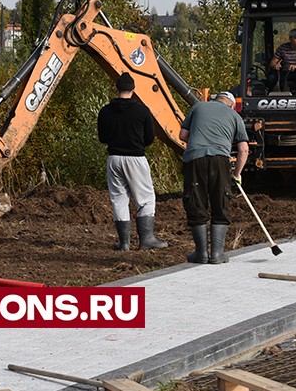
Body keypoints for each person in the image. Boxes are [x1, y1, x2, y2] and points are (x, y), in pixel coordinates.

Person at [97, 72, 168, 250]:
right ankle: (146, 239)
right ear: (133, 90)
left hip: (113, 158)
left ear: (116, 89)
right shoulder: (142, 111)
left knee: (119, 199)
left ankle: (124, 243)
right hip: (136, 157)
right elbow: (150, 138)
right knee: (145, 198)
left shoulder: (105, 111)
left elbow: (102, 138)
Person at [179, 91, 249, 264]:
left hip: (195, 159)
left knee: (196, 201)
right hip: (220, 160)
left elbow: (183, 136)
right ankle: (217, 254)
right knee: (220, 202)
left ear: (215, 100)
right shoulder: (235, 116)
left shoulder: (198, 107)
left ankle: (201, 254)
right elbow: (244, 149)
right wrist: (237, 174)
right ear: (231, 104)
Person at [269, 29, 296, 93]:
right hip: (286, 72)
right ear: (290, 38)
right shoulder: (283, 48)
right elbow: (272, 63)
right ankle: (272, 97)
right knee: (271, 78)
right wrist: (275, 65)